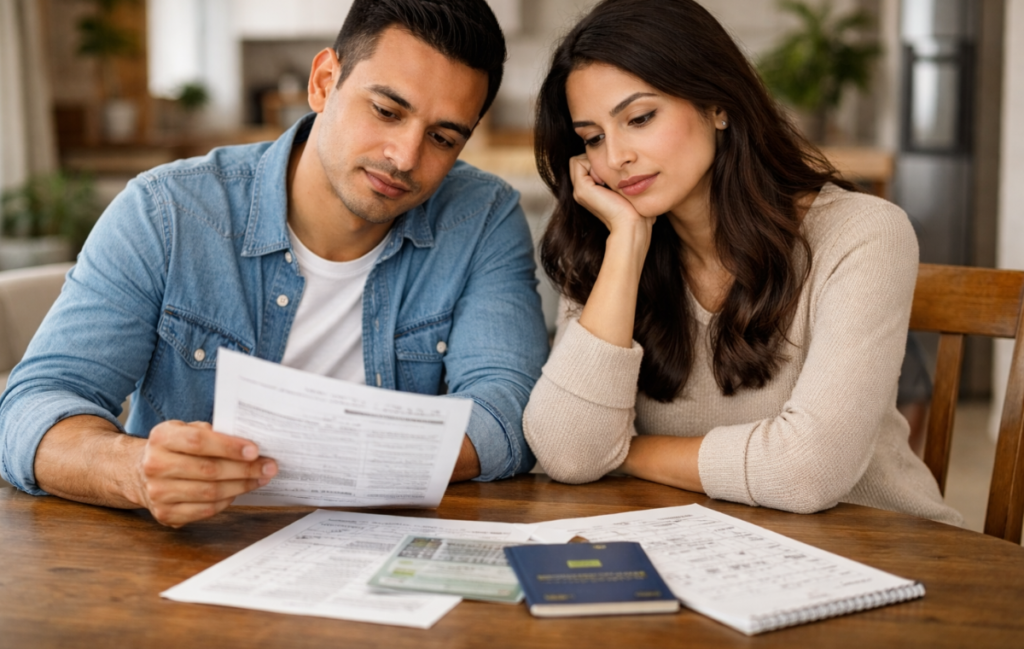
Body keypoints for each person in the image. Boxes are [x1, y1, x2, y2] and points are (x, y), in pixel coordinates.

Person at [0, 0, 548, 528]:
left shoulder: (482, 217)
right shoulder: (167, 212)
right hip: (187, 553)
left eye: (443, 138)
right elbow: (33, 407)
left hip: (386, 557)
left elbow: (506, 410)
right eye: (386, 110)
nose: (404, 157)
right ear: (323, 82)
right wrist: (134, 470)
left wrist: (331, 458)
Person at [523, 0, 961, 526]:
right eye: (593, 138)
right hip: (708, 557)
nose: (615, 158)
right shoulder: (608, 243)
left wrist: (622, 452)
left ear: (717, 105)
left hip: (881, 552)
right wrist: (626, 246)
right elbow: (568, 455)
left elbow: (807, 470)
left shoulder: (862, 233)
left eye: (640, 118)